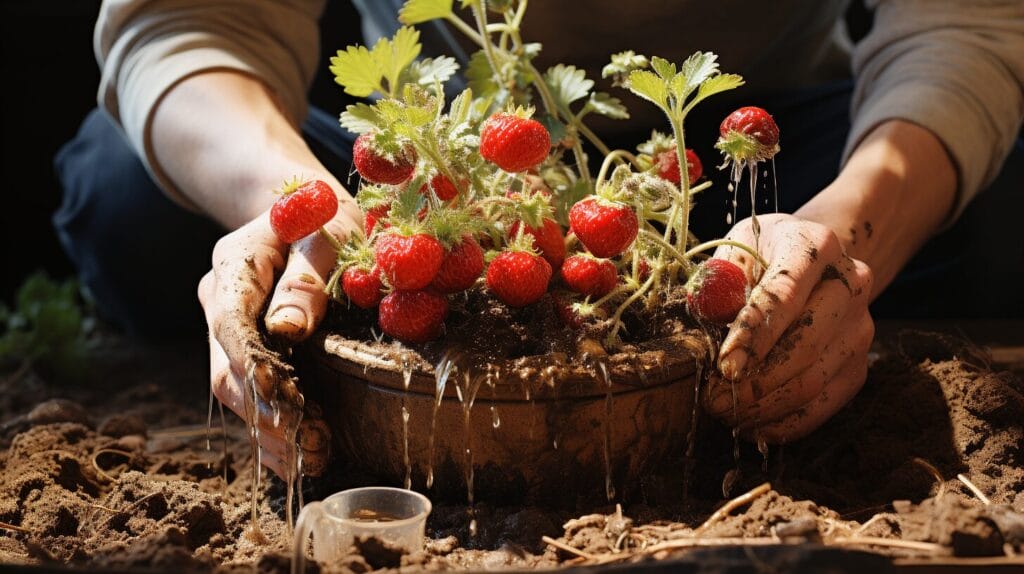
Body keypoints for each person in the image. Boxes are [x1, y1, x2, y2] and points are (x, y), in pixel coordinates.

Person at [54, 0, 1024, 478]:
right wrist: (295, 204)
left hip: (742, 148)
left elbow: (964, 20)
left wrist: (842, 232)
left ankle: (805, 305)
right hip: (439, 169)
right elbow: (188, 19)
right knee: (127, 197)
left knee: (999, 198)